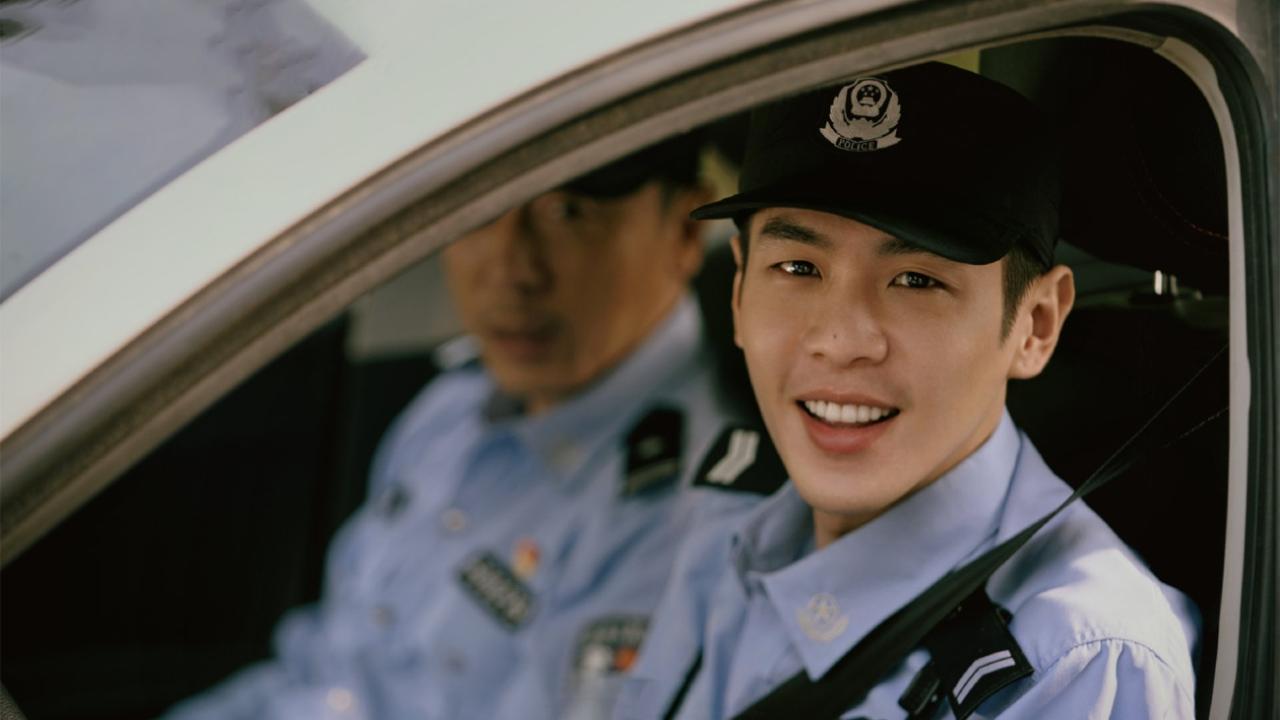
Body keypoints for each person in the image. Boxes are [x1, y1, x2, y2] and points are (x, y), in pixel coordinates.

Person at [615, 62, 1199, 719]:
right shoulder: (719, 524)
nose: (840, 340)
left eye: (917, 281)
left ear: (1035, 325)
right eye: (798, 267)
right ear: (739, 295)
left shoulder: (1076, 658)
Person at [164, 136, 771, 720]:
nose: (511, 270)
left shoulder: (689, 521)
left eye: (568, 213)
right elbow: (325, 665)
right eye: (479, 211)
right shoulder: (450, 410)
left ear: (685, 231)